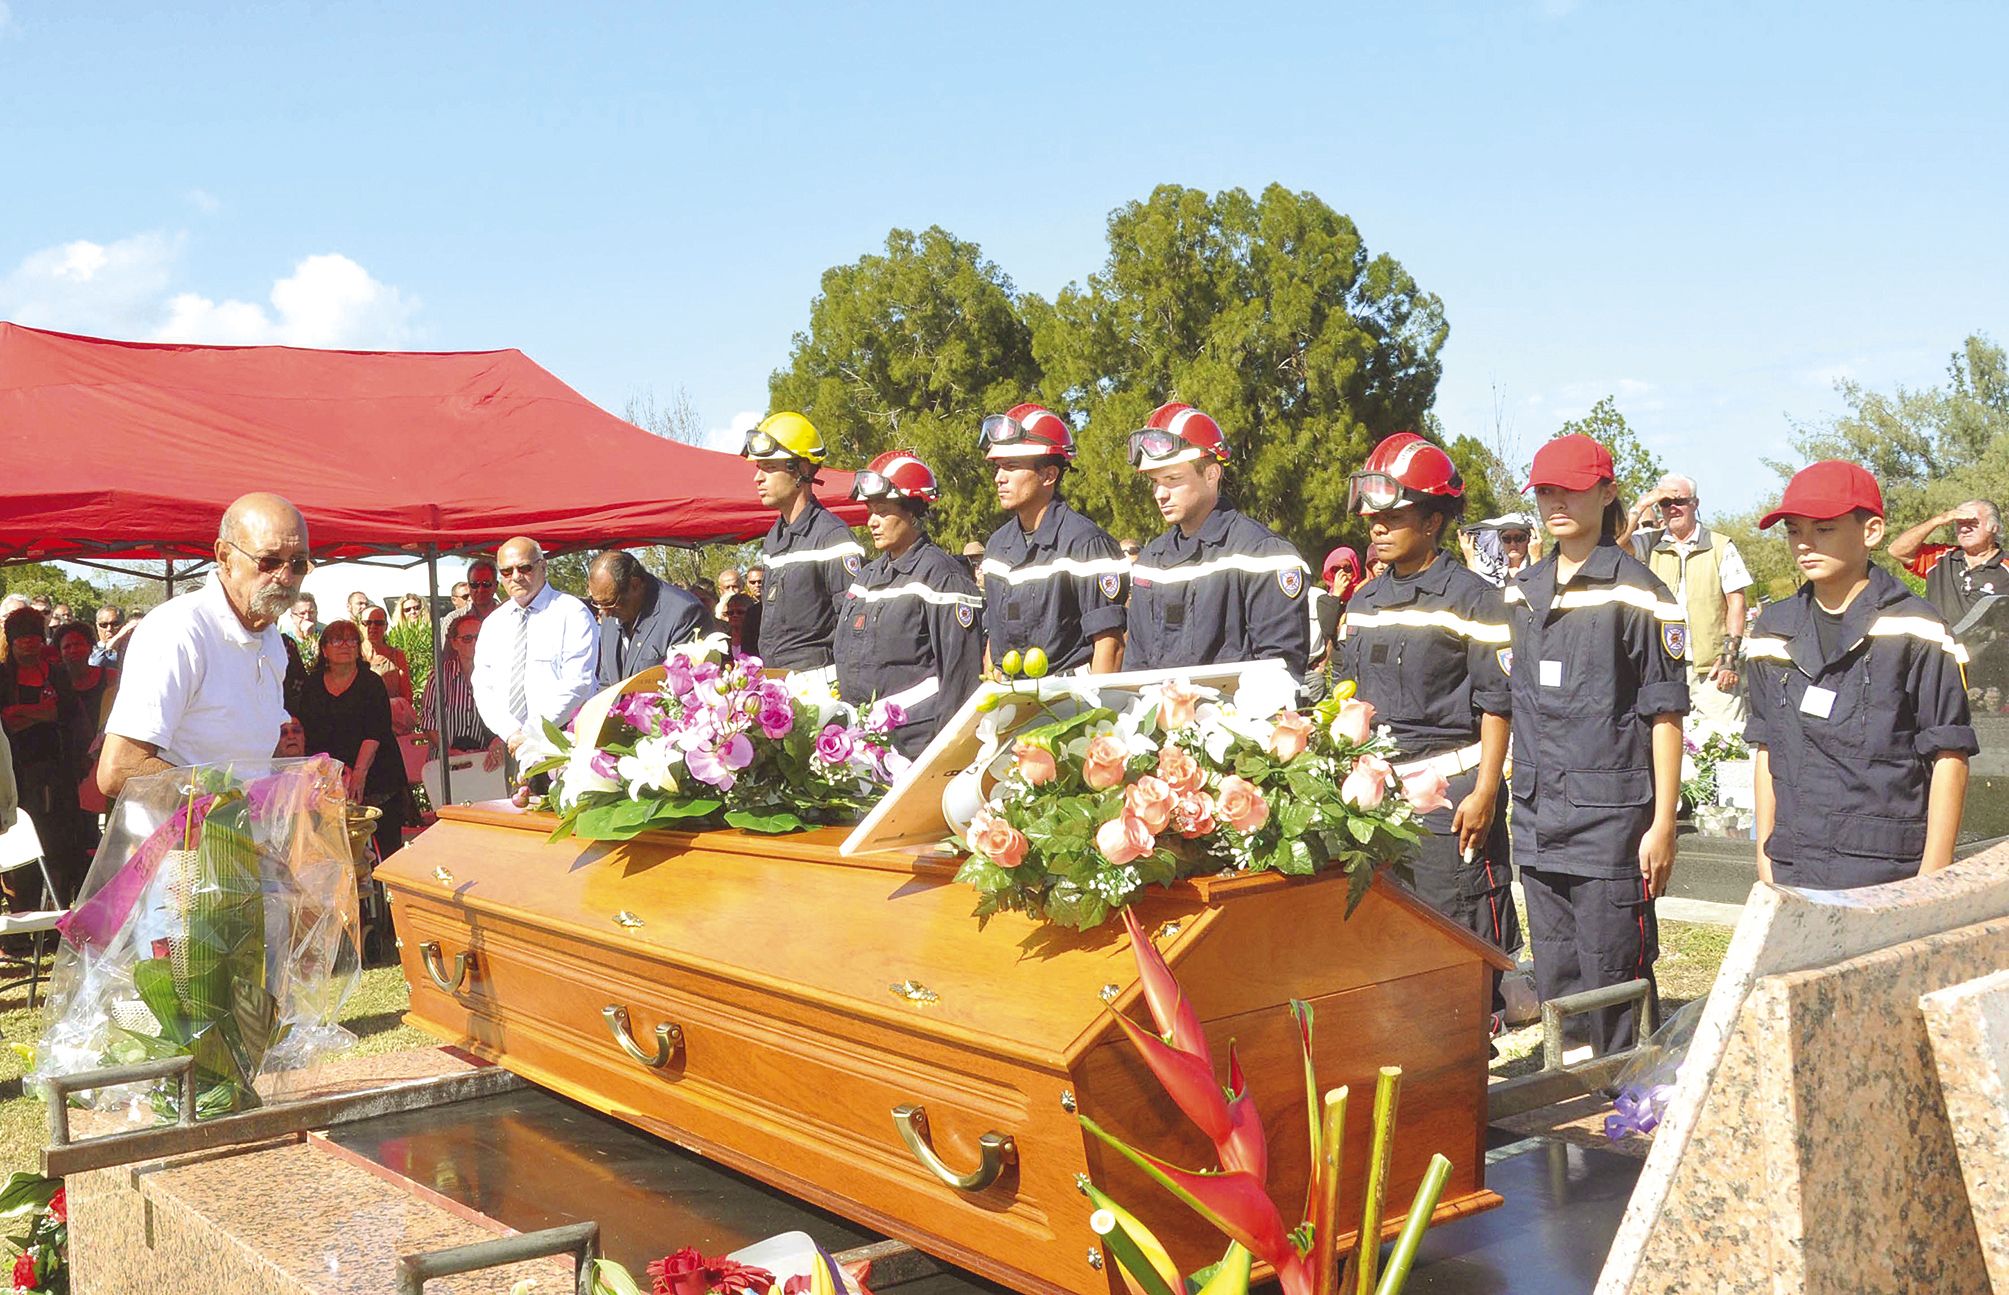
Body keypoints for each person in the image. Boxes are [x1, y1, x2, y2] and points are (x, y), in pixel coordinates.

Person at [1506, 434, 1688, 1056]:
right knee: (1557, 974)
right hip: (1539, 817)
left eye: (1573, 490)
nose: (1556, 503)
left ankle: (1628, 1098)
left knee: (1615, 974)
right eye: (1545, 491)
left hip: (1611, 824)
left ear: (1607, 492)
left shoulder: (1640, 593)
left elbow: (1666, 714)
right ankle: (1572, 1096)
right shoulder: (1522, 591)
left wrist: (1663, 823)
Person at [1340, 435, 1518, 1019]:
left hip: (1450, 799)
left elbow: (1498, 704)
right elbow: (1345, 698)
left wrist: (1486, 791)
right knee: (1388, 943)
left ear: (1434, 520)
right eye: (1373, 517)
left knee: (1457, 937)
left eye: (1394, 516)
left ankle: (1474, 1046)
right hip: (1375, 799)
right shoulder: (1363, 601)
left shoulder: (1474, 600)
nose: (1378, 527)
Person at [1744, 461, 1976, 889]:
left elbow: (1949, 752)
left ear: (1871, 531)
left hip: (1886, 872)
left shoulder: (1917, 629)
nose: (1805, 544)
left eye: (1824, 529)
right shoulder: (1772, 631)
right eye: (1794, 531)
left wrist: (1931, 879)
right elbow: (1765, 747)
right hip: (1793, 864)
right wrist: (1765, 859)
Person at [99, 493, 307, 799]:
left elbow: (253, 754)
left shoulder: (270, 638)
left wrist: (297, 790)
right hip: (177, 831)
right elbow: (120, 769)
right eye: (269, 561)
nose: (286, 577)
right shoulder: (177, 630)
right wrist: (226, 802)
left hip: (243, 829)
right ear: (225, 556)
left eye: (298, 563)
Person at [1123, 402, 1311, 677]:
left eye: (1172, 478)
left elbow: (1280, 670)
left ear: (1212, 474)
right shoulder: (1150, 561)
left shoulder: (1264, 555)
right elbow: (1135, 666)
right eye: (1154, 481)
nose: (1160, 494)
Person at [833, 451, 984, 758]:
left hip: (917, 747)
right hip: (865, 745)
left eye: (882, 511)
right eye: (870, 511)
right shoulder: (866, 577)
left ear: (912, 513)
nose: (871, 522)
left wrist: (947, 756)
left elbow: (961, 678)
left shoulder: (942, 577)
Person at [977, 402, 1127, 676]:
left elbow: (1110, 646)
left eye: (1011, 467)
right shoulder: (997, 546)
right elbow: (992, 643)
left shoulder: (1085, 544)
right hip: (1010, 695)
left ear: (1049, 475)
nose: (999, 478)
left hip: (1069, 696)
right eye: (997, 468)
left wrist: (1095, 702)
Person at [1628, 474, 1756, 741]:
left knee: (1726, 745)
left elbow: (1737, 602)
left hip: (1712, 669)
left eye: (1679, 501)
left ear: (1695, 503)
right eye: (1665, 503)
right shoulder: (1649, 543)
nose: (1672, 508)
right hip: (1662, 667)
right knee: (1664, 747)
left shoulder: (1720, 546)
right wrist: (1642, 505)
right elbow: (1613, 544)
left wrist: (1729, 659)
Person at [740, 412, 865, 675]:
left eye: (769, 467)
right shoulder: (774, 538)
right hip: (778, 681)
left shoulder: (833, 538)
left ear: (802, 469)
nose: (757, 478)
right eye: (758, 467)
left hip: (820, 685)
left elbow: (855, 626)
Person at [471, 537, 597, 774]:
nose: (516, 576)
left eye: (524, 568)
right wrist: (511, 732)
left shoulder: (572, 613)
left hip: (563, 743)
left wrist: (530, 732)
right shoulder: (494, 623)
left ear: (543, 566)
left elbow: (578, 682)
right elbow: (483, 686)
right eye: (506, 571)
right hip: (514, 746)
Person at [294, 619, 405, 863]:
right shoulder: (312, 685)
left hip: (377, 775)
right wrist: (332, 772)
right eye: (337, 640)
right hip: (329, 778)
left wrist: (359, 774)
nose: (345, 645)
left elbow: (375, 732)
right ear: (324, 650)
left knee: (386, 851)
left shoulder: (371, 682)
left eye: (351, 640)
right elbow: (309, 733)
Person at [0, 609, 88, 895]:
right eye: (22, 637)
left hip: (57, 772)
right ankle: (21, 910)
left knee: (58, 845)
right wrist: (41, 712)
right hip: (15, 775)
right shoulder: (3, 676)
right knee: (18, 845)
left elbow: (62, 712)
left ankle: (56, 907)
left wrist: (23, 712)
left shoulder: (57, 673)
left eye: (34, 637)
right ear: (11, 640)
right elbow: (7, 721)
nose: (29, 643)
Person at [1888, 500, 2009, 705]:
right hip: (1938, 663)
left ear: (1994, 527)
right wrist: (1940, 519)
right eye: (1959, 523)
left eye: (1972, 523)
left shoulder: (2005, 565)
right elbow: (1897, 550)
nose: (1964, 528)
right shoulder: (1941, 557)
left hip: (1988, 674)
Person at [587, 550, 707, 687]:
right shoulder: (609, 612)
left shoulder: (684, 613)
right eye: (598, 603)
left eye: (610, 603)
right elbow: (606, 682)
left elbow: (686, 688)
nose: (605, 613)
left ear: (635, 585)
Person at [421, 612, 502, 767]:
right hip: (445, 764)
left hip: (485, 762)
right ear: (454, 643)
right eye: (467, 639)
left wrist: (497, 741)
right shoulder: (440, 676)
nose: (475, 643)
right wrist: (448, 751)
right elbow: (427, 719)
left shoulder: (499, 675)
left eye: (479, 637)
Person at [359, 606, 414, 708]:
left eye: (378, 623)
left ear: (386, 626)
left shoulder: (397, 656)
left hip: (389, 714)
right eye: (367, 622)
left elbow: (407, 696)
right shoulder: (352, 655)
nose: (373, 626)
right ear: (360, 625)